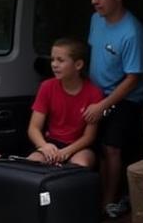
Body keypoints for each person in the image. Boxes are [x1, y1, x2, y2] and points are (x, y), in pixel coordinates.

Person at [83, 0, 143, 218]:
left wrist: (103, 106)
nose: (94, 1)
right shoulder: (96, 21)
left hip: (125, 99)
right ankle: (92, 195)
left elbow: (133, 78)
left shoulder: (132, 32)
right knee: (95, 146)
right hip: (96, 93)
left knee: (111, 147)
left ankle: (108, 203)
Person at [26, 37, 103, 167]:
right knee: (31, 162)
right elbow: (33, 128)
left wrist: (65, 152)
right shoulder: (47, 87)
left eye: (60, 60)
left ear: (78, 65)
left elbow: (89, 137)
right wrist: (45, 146)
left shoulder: (94, 93)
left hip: (79, 147)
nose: (54, 64)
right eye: (52, 60)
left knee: (81, 163)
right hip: (51, 144)